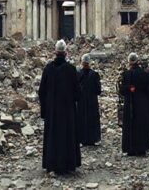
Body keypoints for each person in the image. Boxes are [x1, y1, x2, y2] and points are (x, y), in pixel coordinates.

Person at [38, 40, 81, 174]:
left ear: (55, 52)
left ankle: (52, 164)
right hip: (67, 111)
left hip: (52, 110)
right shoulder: (71, 69)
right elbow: (77, 92)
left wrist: (44, 109)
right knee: (67, 136)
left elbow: (41, 91)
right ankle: (67, 164)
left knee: (53, 137)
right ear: (66, 53)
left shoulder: (48, 68)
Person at [120, 53, 149, 156]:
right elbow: (148, 89)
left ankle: (130, 148)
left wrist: (130, 88)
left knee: (130, 125)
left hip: (129, 103)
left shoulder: (126, 74)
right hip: (141, 103)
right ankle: (141, 148)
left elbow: (122, 90)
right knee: (141, 124)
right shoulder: (144, 73)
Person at [76, 53, 102, 146]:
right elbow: (98, 90)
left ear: (82, 62)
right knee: (92, 119)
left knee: (81, 119)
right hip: (92, 102)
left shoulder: (78, 74)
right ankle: (92, 139)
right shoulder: (94, 74)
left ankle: (82, 139)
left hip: (81, 102)